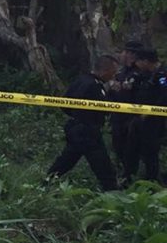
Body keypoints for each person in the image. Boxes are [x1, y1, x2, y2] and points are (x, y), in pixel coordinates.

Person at [45, 54, 121, 191]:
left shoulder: (81, 80)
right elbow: (105, 109)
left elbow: (64, 104)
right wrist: (113, 94)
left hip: (76, 128)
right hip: (88, 131)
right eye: (113, 72)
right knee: (102, 164)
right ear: (105, 70)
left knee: (67, 160)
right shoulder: (94, 86)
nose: (114, 76)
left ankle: (45, 183)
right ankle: (113, 192)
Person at [125, 48, 167, 183]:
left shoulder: (162, 75)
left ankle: (153, 179)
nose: (136, 64)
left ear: (146, 61)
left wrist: (149, 112)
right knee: (133, 148)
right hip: (139, 118)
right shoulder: (144, 75)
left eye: (139, 61)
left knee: (151, 151)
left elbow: (163, 97)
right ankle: (130, 176)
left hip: (155, 120)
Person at [109, 40, 142, 184]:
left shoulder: (141, 73)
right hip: (118, 117)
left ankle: (130, 178)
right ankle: (123, 174)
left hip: (133, 118)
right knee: (118, 147)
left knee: (132, 150)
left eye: (129, 52)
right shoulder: (121, 72)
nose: (125, 55)